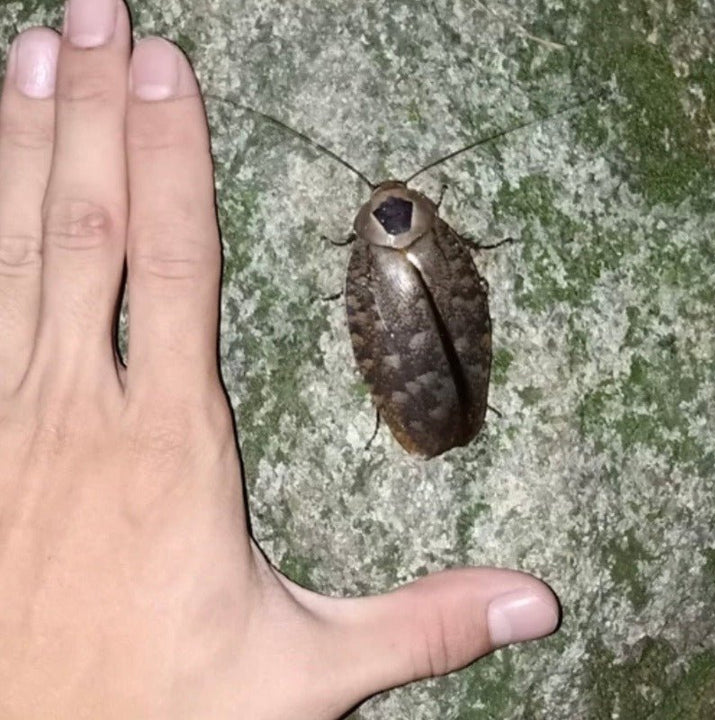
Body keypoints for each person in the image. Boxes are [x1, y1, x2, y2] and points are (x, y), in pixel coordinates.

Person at [0, 1, 560, 717]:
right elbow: (461, 295)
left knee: (399, 346)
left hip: (403, 330)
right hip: (426, 320)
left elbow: (376, 333)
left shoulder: (364, 267)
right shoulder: (434, 237)